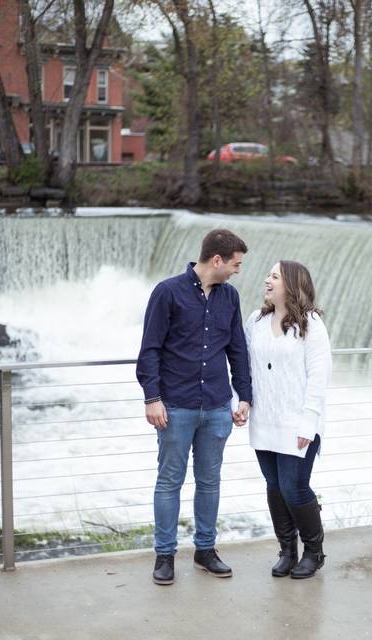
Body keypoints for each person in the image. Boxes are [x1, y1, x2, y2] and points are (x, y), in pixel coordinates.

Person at [136, 229, 252, 586]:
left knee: (210, 481)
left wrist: (244, 396)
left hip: (217, 406)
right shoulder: (167, 292)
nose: (237, 271)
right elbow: (150, 349)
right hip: (176, 405)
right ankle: (165, 555)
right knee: (169, 481)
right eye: (235, 264)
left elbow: (238, 350)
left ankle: (205, 550)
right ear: (216, 260)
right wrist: (152, 398)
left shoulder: (229, 298)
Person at [245, 260, 332, 579]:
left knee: (294, 487)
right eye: (267, 274)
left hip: (298, 422)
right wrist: (240, 401)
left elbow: (318, 377)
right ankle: (287, 550)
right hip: (264, 419)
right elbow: (247, 367)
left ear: (292, 285)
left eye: (275, 276)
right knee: (274, 486)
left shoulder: (311, 325)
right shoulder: (255, 319)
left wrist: (309, 422)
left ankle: (314, 551)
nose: (267, 280)